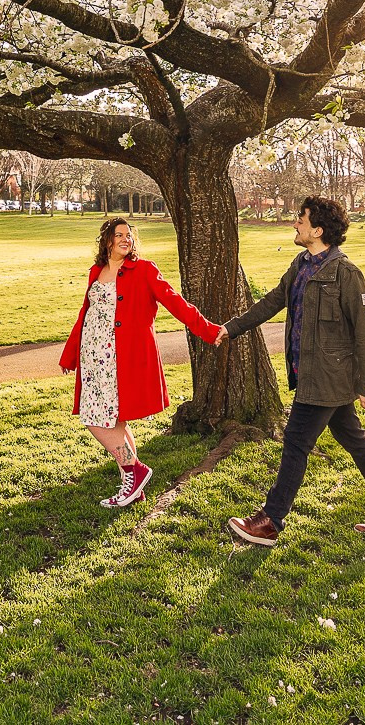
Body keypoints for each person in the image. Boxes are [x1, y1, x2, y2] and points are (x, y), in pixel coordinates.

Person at [221, 196, 365, 547]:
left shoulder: (345, 273)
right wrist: (231, 328)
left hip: (327, 375)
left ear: (317, 230)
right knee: (353, 438)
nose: (295, 224)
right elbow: (273, 301)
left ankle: (270, 521)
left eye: (300, 219)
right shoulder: (302, 263)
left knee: (295, 442)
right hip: (310, 372)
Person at [60, 216, 228, 509]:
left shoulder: (144, 270)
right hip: (94, 357)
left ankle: (134, 471)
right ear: (107, 240)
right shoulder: (96, 271)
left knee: (94, 418)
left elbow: (176, 303)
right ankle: (133, 486)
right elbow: (86, 315)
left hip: (121, 357)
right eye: (120, 235)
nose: (126, 239)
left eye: (129, 235)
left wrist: (207, 330)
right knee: (115, 421)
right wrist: (70, 354)